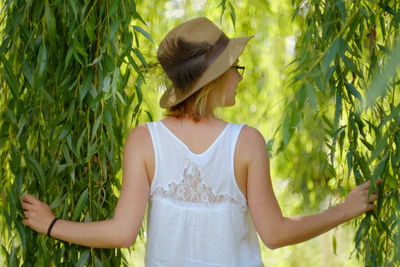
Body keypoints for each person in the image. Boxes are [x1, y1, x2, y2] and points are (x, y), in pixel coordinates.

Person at [21, 17, 381, 266]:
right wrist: (344, 210)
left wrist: (52, 225)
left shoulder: (144, 141)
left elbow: (121, 232)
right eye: (235, 69)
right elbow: (274, 233)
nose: (240, 79)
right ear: (214, 79)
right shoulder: (246, 142)